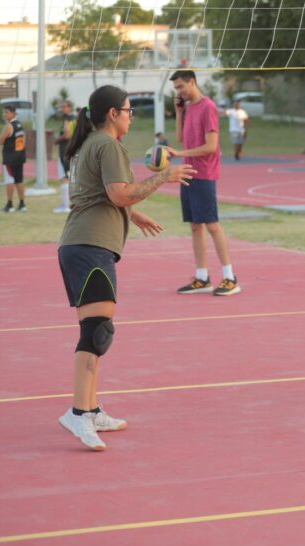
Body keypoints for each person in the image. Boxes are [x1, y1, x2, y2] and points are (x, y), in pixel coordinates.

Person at [57, 85, 194, 450]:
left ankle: (91, 408)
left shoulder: (91, 145)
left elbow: (102, 196)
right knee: (96, 332)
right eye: (129, 110)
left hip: (82, 244)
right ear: (113, 114)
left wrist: (134, 216)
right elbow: (119, 193)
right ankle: (77, 413)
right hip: (89, 246)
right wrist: (164, 176)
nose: (132, 116)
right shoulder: (108, 145)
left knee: (97, 330)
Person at [169, 69, 242, 296]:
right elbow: (182, 137)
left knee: (211, 224)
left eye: (181, 86)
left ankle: (230, 278)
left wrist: (180, 152)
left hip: (204, 173)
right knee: (195, 226)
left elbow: (211, 146)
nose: (179, 92)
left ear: (192, 82)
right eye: (176, 89)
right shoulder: (189, 107)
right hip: (189, 172)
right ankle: (202, 278)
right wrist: (179, 112)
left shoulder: (208, 107)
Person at [0, 105, 27, 213]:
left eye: (6, 112)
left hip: (10, 158)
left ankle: (10, 204)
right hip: (19, 157)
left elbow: (0, 141)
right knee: (19, 180)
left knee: (9, 181)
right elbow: (23, 141)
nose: (4, 114)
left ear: (12, 113)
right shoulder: (20, 125)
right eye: (4, 112)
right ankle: (22, 204)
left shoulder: (9, 126)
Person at [53, 100, 75, 214]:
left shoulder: (69, 118)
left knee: (65, 178)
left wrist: (57, 139)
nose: (63, 108)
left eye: (65, 106)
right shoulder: (71, 118)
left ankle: (66, 205)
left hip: (65, 151)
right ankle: (66, 204)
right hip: (68, 150)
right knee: (66, 177)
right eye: (62, 106)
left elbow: (67, 134)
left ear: (70, 108)